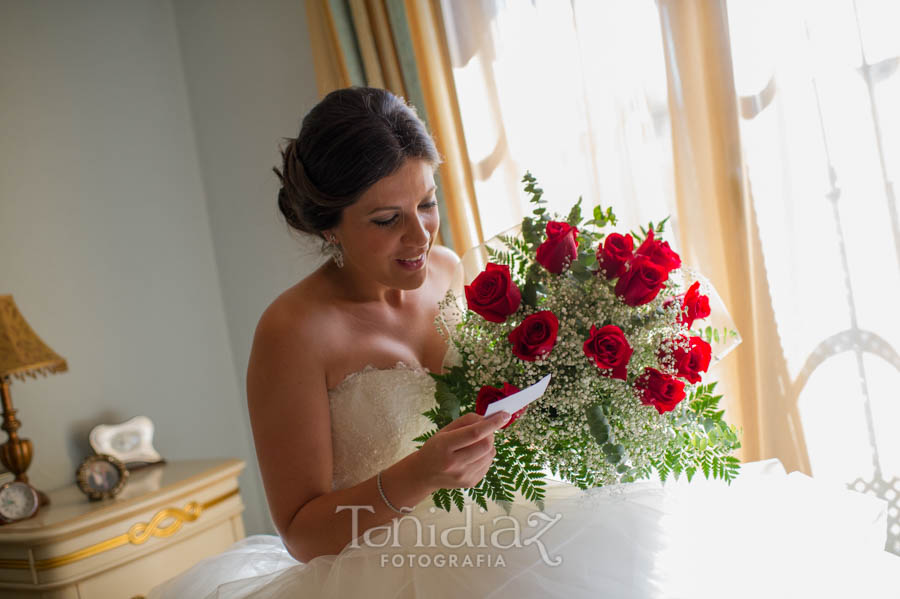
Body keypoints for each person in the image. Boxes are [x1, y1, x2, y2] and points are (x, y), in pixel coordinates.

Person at [149, 88, 899, 599]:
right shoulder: (292, 332)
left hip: (512, 511)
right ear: (325, 224)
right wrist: (421, 473)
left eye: (429, 203)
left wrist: (571, 393)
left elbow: (497, 399)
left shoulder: (446, 272)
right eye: (386, 220)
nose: (421, 237)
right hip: (393, 562)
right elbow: (305, 533)